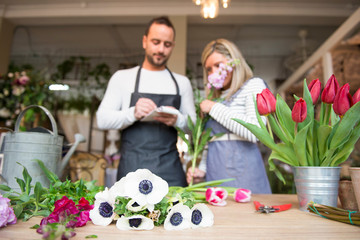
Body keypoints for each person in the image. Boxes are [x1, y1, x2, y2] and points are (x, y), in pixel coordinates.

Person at [97, 16, 196, 187]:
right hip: (131, 169)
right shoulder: (122, 78)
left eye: (167, 44)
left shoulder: (182, 83)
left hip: (170, 169)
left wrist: (177, 119)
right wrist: (133, 113)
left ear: (172, 46)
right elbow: (102, 119)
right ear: (145, 41)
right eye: (155, 42)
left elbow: (195, 125)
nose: (161, 49)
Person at [187, 38, 271, 194]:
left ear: (234, 61)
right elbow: (210, 141)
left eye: (218, 65)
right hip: (214, 174)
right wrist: (202, 169)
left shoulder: (253, 86)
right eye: (209, 69)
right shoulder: (214, 99)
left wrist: (214, 108)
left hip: (245, 173)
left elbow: (255, 132)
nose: (213, 73)